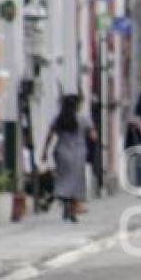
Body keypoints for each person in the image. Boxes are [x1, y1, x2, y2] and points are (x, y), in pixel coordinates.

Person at [41, 95, 97, 223]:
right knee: (76, 182)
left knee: (63, 178)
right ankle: (73, 207)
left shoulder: (58, 119)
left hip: (61, 152)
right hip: (78, 153)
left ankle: (64, 203)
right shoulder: (83, 119)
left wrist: (44, 151)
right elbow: (93, 136)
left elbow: (49, 135)